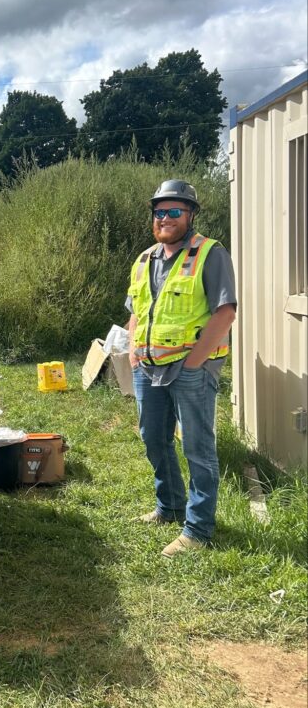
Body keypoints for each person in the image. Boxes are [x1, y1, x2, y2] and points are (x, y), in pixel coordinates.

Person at [127, 180, 237, 557]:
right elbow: (135, 311)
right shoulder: (144, 260)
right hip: (147, 367)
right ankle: (169, 506)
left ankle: (198, 529)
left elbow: (226, 312)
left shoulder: (211, 253)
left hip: (191, 369)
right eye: (160, 212)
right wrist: (132, 353)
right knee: (153, 439)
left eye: (175, 211)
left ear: (190, 215)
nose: (166, 218)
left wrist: (195, 362)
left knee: (197, 448)